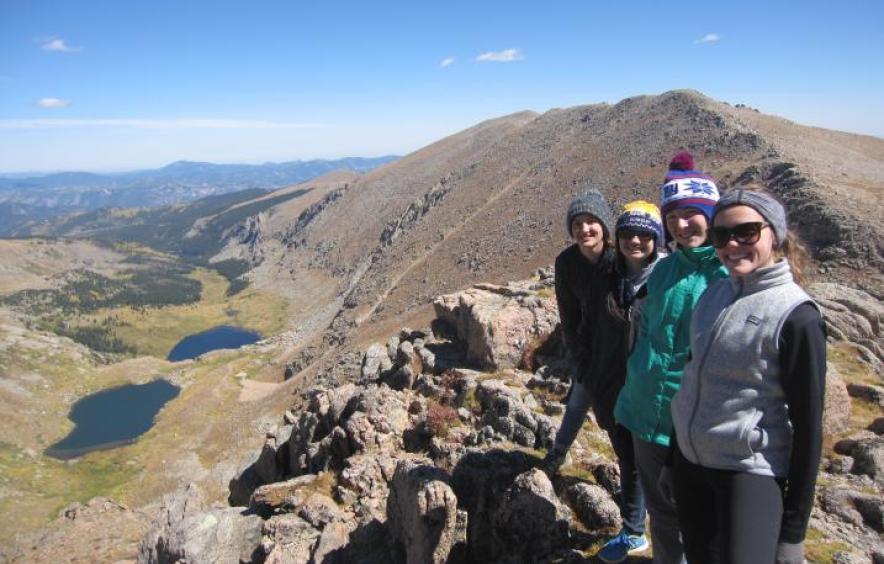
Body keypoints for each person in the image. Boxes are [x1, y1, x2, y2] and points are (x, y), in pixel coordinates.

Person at [664, 187, 826, 564]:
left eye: (746, 232)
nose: (732, 244)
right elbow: (690, 381)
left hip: (748, 473)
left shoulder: (797, 315)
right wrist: (674, 459)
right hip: (691, 467)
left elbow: (809, 427)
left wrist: (792, 534)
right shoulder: (713, 296)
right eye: (721, 235)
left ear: (775, 234)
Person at [613, 151, 728, 564]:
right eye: (673, 215)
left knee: (700, 525)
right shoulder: (662, 271)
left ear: (711, 214)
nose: (681, 224)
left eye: (692, 214)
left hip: (695, 430)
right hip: (645, 416)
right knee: (661, 518)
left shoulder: (728, 277)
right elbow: (645, 335)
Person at [545, 192, 664, 563]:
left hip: (638, 376)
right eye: (577, 224)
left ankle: (653, 532)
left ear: (604, 227)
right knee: (625, 452)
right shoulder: (568, 264)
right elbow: (570, 315)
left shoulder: (622, 264)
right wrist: (582, 361)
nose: (585, 229)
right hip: (600, 369)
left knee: (650, 458)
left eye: (591, 222)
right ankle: (634, 530)